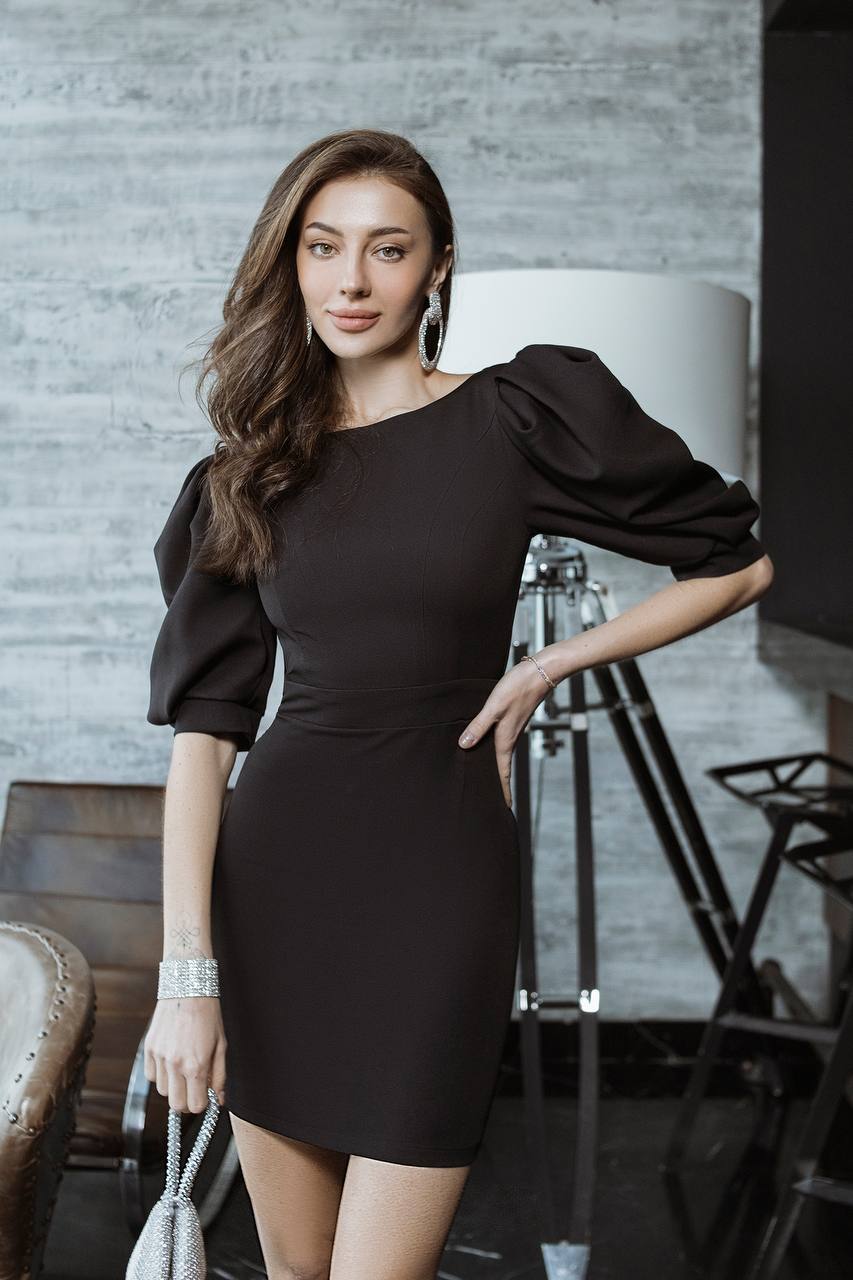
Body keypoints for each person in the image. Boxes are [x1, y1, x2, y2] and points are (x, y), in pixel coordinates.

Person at [143, 128, 774, 1280]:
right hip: (277, 881)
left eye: (388, 250)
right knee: (296, 1269)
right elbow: (204, 736)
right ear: (290, 263)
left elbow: (735, 564)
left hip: (444, 878)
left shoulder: (513, 416)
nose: (351, 279)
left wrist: (548, 663)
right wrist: (187, 976)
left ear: (437, 267)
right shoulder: (245, 475)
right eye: (323, 247)